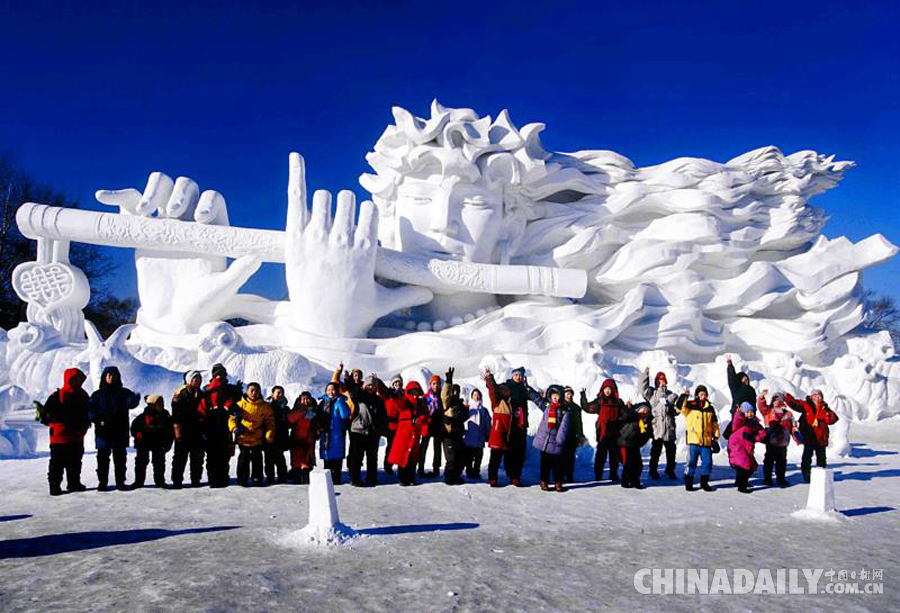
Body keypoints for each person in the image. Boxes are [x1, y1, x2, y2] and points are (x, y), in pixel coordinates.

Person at [40, 368, 91, 495]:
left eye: (79, 380)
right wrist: (61, 420)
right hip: (60, 437)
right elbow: (44, 416)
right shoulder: (57, 396)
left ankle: (74, 483)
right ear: (68, 380)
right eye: (75, 379)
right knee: (57, 463)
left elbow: (89, 412)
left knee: (75, 462)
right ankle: (54, 485)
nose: (77, 382)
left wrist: (86, 422)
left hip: (77, 436)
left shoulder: (83, 395)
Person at [88, 366, 139, 491]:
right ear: (104, 377)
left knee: (120, 459)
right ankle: (102, 483)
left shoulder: (124, 392)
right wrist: (97, 419)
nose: (111, 377)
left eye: (114, 375)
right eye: (109, 375)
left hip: (119, 431)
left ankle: (120, 482)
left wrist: (135, 399)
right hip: (103, 432)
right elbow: (90, 410)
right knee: (102, 459)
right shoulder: (97, 395)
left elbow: (131, 404)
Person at [199, 363, 241, 488]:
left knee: (222, 455)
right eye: (218, 374)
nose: (220, 377)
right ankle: (215, 479)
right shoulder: (208, 391)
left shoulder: (227, 389)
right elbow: (202, 410)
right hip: (212, 426)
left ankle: (220, 478)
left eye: (222, 374)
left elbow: (237, 405)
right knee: (214, 455)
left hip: (223, 426)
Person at [343, 369, 386, 487]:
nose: (371, 387)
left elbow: (383, 416)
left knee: (372, 457)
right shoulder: (359, 396)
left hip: (373, 432)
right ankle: (354, 478)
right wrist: (348, 379)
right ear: (365, 386)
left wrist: (380, 429)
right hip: (358, 430)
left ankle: (372, 478)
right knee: (357, 456)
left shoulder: (378, 400)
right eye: (369, 385)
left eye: (373, 385)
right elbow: (352, 389)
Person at [784, 389, 838, 482]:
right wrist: (787, 397)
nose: (818, 398)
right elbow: (795, 404)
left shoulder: (825, 408)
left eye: (820, 396)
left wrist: (827, 414)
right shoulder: (806, 405)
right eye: (816, 396)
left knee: (821, 458)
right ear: (811, 396)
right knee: (807, 456)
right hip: (809, 436)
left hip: (821, 438)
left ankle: (821, 475)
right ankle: (806, 474)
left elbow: (833, 420)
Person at [230, 382, 275, 487]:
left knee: (257, 459)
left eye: (256, 390)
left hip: (257, 437)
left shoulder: (265, 407)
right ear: (247, 391)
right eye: (252, 390)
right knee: (243, 459)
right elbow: (231, 419)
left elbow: (270, 422)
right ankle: (242, 479)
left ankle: (257, 478)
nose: (254, 393)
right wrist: (234, 428)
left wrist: (269, 433)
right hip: (243, 437)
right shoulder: (240, 405)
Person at [580, 379, 624, 482]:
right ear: (602, 390)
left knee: (614, 456)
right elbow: (587, 408)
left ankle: (613, 474)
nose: (607, 391)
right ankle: (598, 474)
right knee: (600, 456)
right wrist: (583, 397)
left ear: (613, 390)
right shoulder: (600, 401)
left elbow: (624, 413)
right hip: (603, 433)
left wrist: (630, 408)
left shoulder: (618, 402)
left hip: (615, 433)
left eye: (609, 389)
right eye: (605, 389)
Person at [385, 380, 427, 486]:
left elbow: (425, 416)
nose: (414, 394)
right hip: (404, 433)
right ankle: (403, 479)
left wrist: (419, 420)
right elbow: (397, 402)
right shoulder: (404, 401)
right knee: (403, 456)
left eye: (416, 392)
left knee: (413, 457)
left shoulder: (421, 403)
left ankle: (411, 478)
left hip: (415, 434)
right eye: (412, 392)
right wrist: (393, 395)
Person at [640, 367, 679, 480]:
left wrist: (676, 410)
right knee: (655, 452)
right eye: (659, 380)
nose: (661, 382)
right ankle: (653, 471)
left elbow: (676, 411)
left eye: (663, 380)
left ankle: (670, 470)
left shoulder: (671, 395)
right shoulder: (652, 394)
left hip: (669, 428)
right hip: (657, 428)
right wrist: (645, 375)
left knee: (671, 452)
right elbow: (643, 389)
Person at [680, 385, 720, 492]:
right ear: (697, 395)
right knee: (691, 462)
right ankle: (689, 482)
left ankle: (704, 483)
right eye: (701, 394)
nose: (703, 396)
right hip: (693, 440)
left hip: (706, 441)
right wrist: (685, 396)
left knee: (707, 463)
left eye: (704, 394)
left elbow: (714, 424)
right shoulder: (690, 405)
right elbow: (680, 407)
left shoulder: (710, 408)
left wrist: (715, 438)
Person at [531, 385, 571, 492]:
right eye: (553, 395)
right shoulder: (547, 406)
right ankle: (544, 481)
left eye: (557, 395)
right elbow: (537, 399)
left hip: (556, 442)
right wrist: (529, 389)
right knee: (545, 464)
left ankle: (558, 482)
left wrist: (560, 440)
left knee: (558, 464)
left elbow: (564, 427)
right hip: (544, 441)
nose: (555, 397)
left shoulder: (564, 410)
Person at [170, 370, 206, 488]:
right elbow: (175, 415)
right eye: (195, 379)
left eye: (199, 379)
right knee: (180, 458)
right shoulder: (180, 394)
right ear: (189, 380)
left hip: (197, 430)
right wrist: (177, 431)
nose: (197, 381)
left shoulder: (201, 394)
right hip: (183, 430)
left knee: (197, 457)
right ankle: (177, 480)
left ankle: (196, 479)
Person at [130, 395, 174, 489]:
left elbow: (170, 431)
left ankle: (160, 482)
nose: (162, 405)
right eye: (159, 403)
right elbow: (134, 428)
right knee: (141, 462)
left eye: (162, 403)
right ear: (153, 405)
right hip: (143, 443)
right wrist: (138, 435)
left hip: (159, 443)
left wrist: (167, 444)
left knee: (159, 463)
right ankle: (139, 482)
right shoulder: (143, 417)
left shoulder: (166, 416)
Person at [727, 402, 768, 493]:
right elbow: (738, 419)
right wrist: (739, 413)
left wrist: (754, 438)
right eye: (748, 412)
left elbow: (762, 433)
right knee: (744, 465)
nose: (750, 413)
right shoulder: (740, 421)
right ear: (744, 413)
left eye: (752, 411)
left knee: (752, 466)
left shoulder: (754, 422)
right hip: (737, 447)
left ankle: (741, 481)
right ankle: (742, 486)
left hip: (747, 447)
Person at [757, 390, 794, 487]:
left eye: (778, 399)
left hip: (783, 441)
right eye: (774, 399)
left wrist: (797, 436)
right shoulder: (768, 411)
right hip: (771, 440)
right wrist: (761, 398)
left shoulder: (788, 414)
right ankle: (767, 479)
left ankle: (781, 479)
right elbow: (761, 406)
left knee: (781, 460)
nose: (776, 401)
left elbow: (793, 426)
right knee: (769, 459)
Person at [318, 382, 352, 485]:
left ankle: (336, 479)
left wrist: (340, 401)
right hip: (325, 435)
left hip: (337, 435)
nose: (330, 392)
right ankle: (327, 480)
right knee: (327, 458)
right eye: (328, 390)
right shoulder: (322, 403)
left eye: (333, 390)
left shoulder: (340, 401)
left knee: (337, 460)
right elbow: (318, 417)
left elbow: (345, 415)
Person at [483, 369, 513, 487]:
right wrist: (490, 378)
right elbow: (492, 391)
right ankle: (492, 478)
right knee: (494, 460)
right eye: (505, 390)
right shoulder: (497, 402)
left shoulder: (509, 403)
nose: (507, 392)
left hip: (506, 436)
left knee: (507, 459)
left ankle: (511, 476)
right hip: (497, 436)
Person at [440, 368, 468, 485]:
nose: (455, 393)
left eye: (458, 391)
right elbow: (444, 394)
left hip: (458, 434)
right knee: (451, 459)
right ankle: (449, 477)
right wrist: (448, 381)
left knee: (460, 457)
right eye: (454, 391)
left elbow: (465, 417)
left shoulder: (460, 405)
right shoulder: (448, 402)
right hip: (449, 434)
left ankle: (456, 475)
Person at [617, 401, 652, 489]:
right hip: (625, 443)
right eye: (642, 410)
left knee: (638, 465)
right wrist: (629, 408)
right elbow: (626, 415)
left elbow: (645, 437)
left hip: (634, 445)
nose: (644, 413)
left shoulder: (645, 423)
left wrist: (646, 429)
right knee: (628, 464)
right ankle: (625, 482)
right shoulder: (632, 417)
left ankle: (635, 481)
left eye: (646, 411)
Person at [286, 391, 319, 484]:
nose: (305, 401)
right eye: (303, 399)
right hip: (296, 438)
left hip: (309, 439)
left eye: (307, 399)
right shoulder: (296, 410)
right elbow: (290, 419)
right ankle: (296, 476)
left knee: (306, 460)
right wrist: (304, 411)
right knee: (296, 459)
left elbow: (316, 423)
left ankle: (305, 477)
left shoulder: (314, 410)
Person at [376, 374, 404, 476]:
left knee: (394, 447)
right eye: (395, 383)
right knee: (390, 446)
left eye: (399, 383)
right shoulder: (388, 394)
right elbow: (381, 389)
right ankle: (387, 466)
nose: (397, 385)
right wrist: (377, 380)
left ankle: (390, 465)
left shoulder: (403, 395)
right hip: (387, 425)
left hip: (398, 426)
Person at [462, 387, 491, 480]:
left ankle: (476, 471)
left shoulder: (484, 410)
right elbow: (462, 421)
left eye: (478, 394)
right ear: (472, 396)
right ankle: (469, 471)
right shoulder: (468, 408)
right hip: (469, 437)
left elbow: (487, 423)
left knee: (478, 457)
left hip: (479, 438)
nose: (476, 396)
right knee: (469, 457)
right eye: (474, 394)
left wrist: (488, 434)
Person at [264, 385, 290, 484]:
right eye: (278, 392)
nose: (280, 395)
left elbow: (289, 423)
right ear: (272, 394)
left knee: (280, 458)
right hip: (269, 436)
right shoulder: (267, 406)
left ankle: (282, 476)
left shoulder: (285, 408)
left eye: (282, 393)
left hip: (281, 436)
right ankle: (270, 477)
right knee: (268, 458)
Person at [418, 374, 444, 478]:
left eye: (437, 383)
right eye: (434, 383)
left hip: (438, 424)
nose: (436, 386)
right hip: (427, 425)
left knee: (437, 448)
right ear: (430, 385)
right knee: (423, 446)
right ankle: (420, 467)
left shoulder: (442, 397)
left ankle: (436, 468)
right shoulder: (426, 397)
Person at [560, 386, 583, 483]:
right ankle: (559, 476)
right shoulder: (560, 406)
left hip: (572, 435)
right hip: (561, 434)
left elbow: (579, 422)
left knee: (570, 457)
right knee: (560, 456)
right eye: (567, 393)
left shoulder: (576, 408)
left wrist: (580, 435)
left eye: (570, 394)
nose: (569, 396)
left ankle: (569, 476)